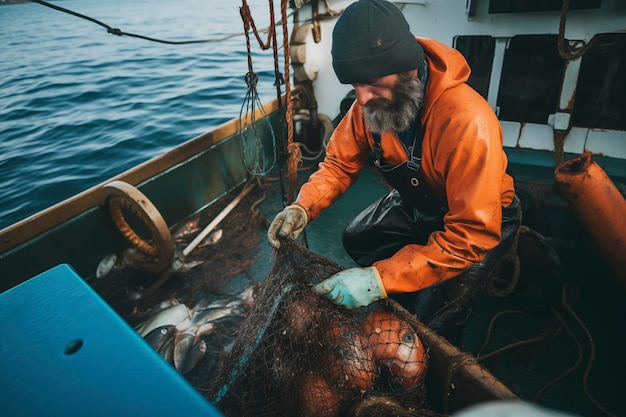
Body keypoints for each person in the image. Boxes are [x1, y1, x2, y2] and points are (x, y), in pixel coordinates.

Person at [268, 0, 521, 342]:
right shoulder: (369, 104)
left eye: (371, 82)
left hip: (475, 222)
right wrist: (303, 206)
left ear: (408, 70)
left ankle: (421, 300)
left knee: (438, 324)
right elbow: (339, 164)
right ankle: (407, 287)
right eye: (354, 85)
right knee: (359, 238)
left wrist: (378, 280)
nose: (360, 99)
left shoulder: (468, 121)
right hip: (419, 202)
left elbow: (470, 234)